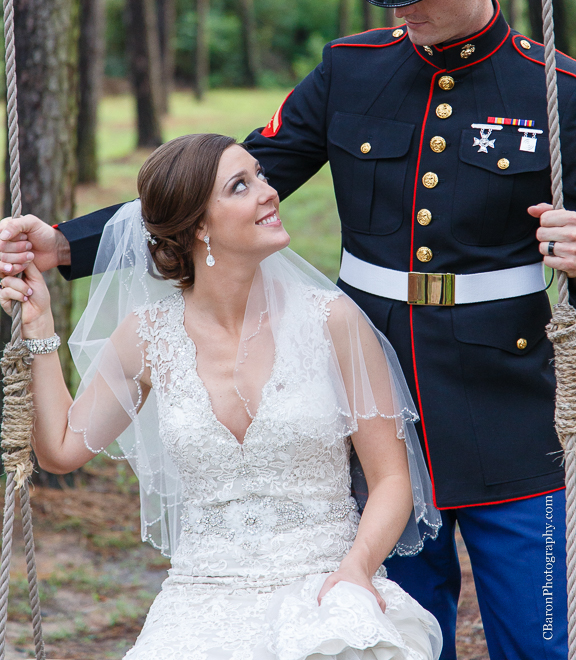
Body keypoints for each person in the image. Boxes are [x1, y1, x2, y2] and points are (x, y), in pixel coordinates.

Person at [0, 0, 575, 659]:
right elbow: (219, 181)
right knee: (404, 632)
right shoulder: (352, 71)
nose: (401, 14)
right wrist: (67, 245)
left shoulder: (556, 90)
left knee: (541, 641)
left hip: (507, 409)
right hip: (362, 388)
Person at [0, 134, 443, 660]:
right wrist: (40, 329)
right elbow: (60, 449)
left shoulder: (331, 320)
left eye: (261, 175)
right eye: (241, 185)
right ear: (199, 227)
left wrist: (355, 570)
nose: (269, 192)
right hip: (200, 598)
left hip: (325, 587)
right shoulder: (148, 337)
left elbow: (392, 479)